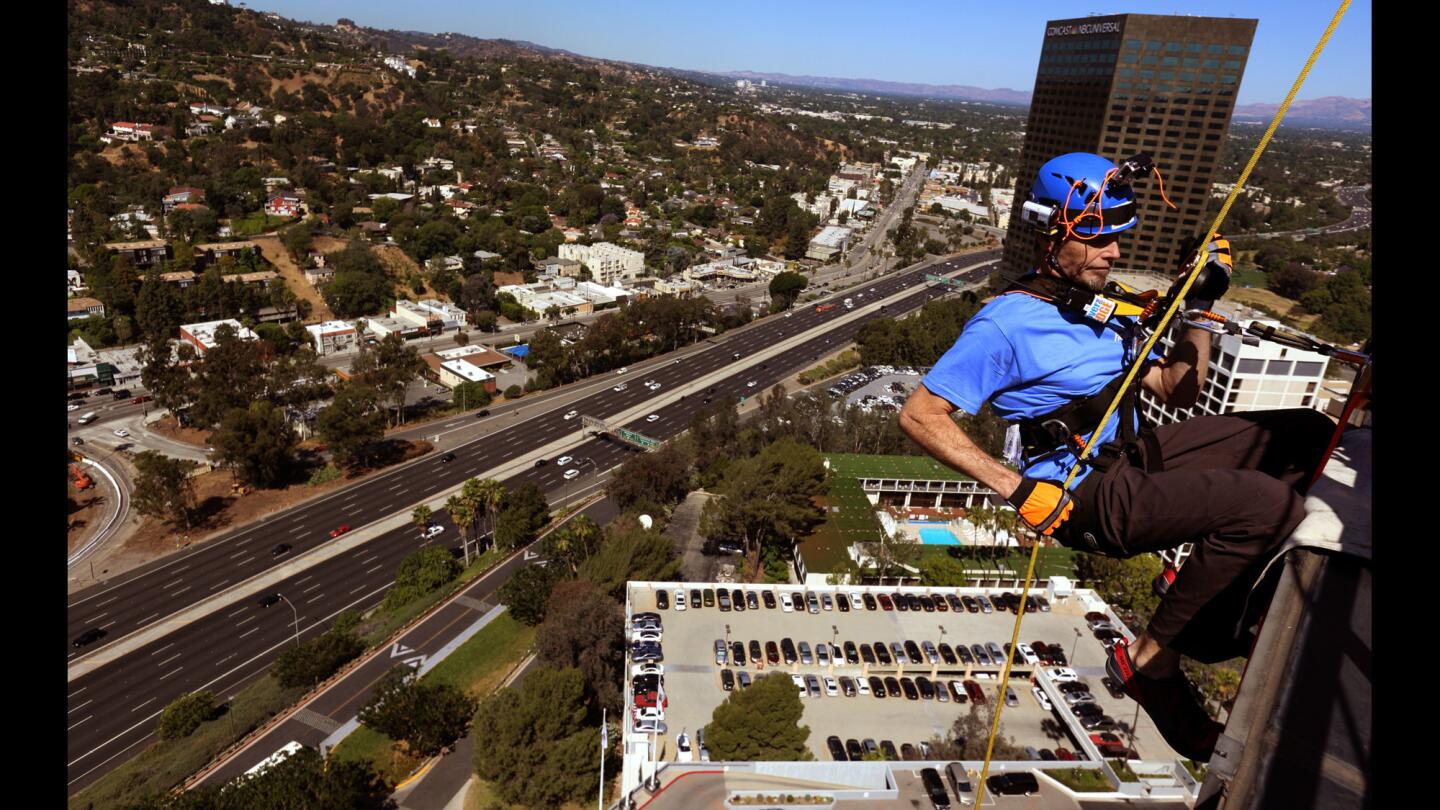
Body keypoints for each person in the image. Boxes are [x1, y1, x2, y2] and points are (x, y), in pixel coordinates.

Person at [898, 152, 1332, 760]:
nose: (1114, 254)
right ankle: (1152, 661)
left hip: (1127, 456)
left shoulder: (1102, 309)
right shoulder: (1005, 325)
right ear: (1054, 234)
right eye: (1097, 239)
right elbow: (918, 414)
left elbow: (1178, 389)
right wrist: (1016, 489)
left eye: (1117, 240)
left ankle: (1213, 597)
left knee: (1309, 433)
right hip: (1076, 492)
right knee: (1265, 506)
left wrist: (1200, 311)